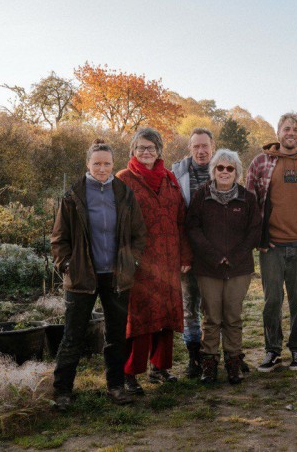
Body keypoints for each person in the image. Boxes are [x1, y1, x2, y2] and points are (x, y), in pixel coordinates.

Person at [51, 138, 147, 410]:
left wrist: (132, 261)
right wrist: (66, 264)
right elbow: (59, 237)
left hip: (117, 275)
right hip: (82, 276)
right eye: (97, 164)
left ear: (113, 164)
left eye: (107, 164)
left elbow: (139, 234)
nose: (102, 169)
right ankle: (62, 392)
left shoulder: (124, 193)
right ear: (87, 164)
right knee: (73, 335)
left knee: (116, 335)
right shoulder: (73, 195)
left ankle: (115, 387)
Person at [116, 127, 192, 395]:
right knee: (138, 318)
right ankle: (129, 373)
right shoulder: (123, 180)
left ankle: (160, 368)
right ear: (133, 151)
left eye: (151, 147)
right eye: (141, 148)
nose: (146, 152)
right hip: (139, 261)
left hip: (169, 258)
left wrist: (185, 254)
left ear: (159, 150)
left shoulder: (170, 178)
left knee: (166, 315)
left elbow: (181, 220)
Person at [246, 112, 297, 372]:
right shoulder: (261, 162)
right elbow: (250, 204)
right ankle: (272, 350)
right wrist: (257, 239)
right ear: (278, 132)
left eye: (296, 130)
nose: (291, 133)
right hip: (272, 246)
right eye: (287, 128)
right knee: (272, 301)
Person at [186, 149, 261, 385]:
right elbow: (193, 228)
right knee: (211, 317)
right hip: (208, 267)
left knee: (232, 316)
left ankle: (233, 361)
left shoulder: (247, 198)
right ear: (213, 170)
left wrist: (235, 256)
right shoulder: (201, 196)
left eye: (230, 168)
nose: (225, 172)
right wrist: (215, 256)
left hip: (238, 268)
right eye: (220, 167)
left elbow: (254, 231)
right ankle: (208, 363)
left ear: (237, 172)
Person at [172, 127, 216, 378]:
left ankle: (214, 354)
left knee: (214, 305)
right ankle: (193, 357)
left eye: (205, 146)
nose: (201, 151)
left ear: (212, 146)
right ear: (190, 148)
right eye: (196, 146)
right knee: (190, 305)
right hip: (188, 250)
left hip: (214, 251)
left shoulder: (222, 169)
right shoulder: (177, 174)